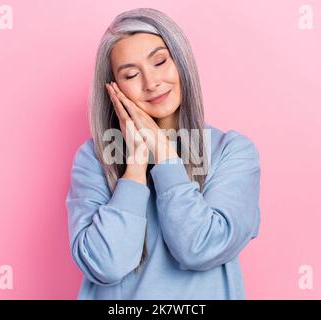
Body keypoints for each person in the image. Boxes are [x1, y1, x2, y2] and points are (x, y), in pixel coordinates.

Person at [65, 7, 261, 299]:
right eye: (131, 74)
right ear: (114, 89)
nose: (151, 82)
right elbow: (105, 264)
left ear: (181, 62)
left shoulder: (232, 152)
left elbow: (199, 247)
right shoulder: (95, 158)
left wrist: (166, 158)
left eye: (159, 62)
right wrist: (134, 168)